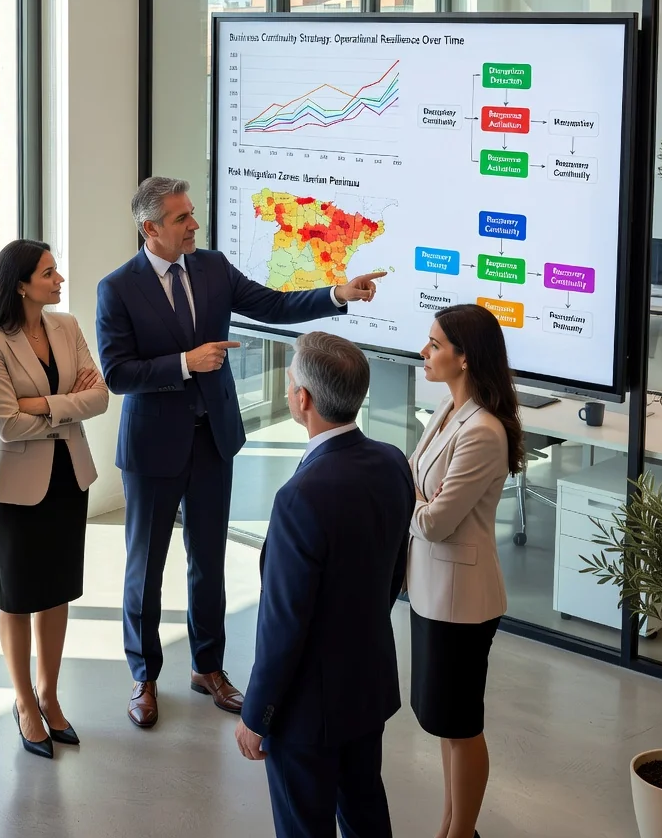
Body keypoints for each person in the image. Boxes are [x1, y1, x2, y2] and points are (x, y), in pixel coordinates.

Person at [96, 176, 385, 729]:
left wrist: (336, 294)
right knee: (145, 569)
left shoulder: (212, 267)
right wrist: (186, 361)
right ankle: (144, 675)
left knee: (208, 561)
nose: (194, 225)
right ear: (149, 228)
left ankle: (208, 667)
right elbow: (117, 373)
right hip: (153, 447)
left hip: (213, 439)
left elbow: (272, 304)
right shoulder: (117, 288)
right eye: (182, 218)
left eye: (192, 214)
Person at [234, 332, 414, 838]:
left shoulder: (300, 497)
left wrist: (256, 714)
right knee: (364, 815)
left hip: (308, 712)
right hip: (367, 685)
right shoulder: (392, 462)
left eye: (291, 382)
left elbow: (283, 625)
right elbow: (392, 573)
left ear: (302, 400)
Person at [0, 240, 109, 758]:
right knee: (17, 594)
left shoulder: (67, 326)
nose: (59, 280)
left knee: (56, 590)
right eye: (49, 273)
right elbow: (5, 423)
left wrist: (42, 404)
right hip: (16, 489)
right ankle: (24, 701)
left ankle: (50, 696)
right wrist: (64, 405)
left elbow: (99, 396)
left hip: (67, 477)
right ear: (22, 284)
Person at [407, 304, 525, 838]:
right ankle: (454, 827)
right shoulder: (448, 409)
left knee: (460, 725)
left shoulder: (481, 432)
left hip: (461, 601)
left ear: (464, 357)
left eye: (434, 345)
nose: (424, 353)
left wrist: (402, 497)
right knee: (444, 722)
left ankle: (460, 832)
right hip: (432, 591)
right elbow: (419, 486)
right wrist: (413, 494)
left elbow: (434, 522)